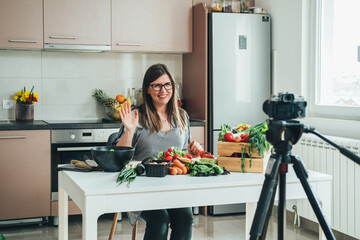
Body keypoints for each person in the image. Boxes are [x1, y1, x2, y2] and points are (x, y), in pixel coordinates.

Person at [108, 63, 203, 240]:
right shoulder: (137, 115)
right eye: (157, 85)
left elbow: (183, 156)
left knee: (185, 219)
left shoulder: (182, 116)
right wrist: (129, 130)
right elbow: (120, 157)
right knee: (160, 220)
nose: (163, 90)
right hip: (140, 186)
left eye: (167, 84)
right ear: (148, 89)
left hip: (173, 187)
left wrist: (193, 154)